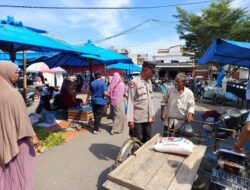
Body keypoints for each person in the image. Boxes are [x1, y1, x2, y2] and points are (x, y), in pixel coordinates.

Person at [0, 61, 39, 190]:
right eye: (15, 71)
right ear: (6, 72)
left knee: (5, 173)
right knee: (22, 171)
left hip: (3, 140)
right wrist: (33, 137)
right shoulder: (13, 94)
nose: (18, 74)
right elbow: (22, 120)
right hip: (18, 140)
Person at [127, 61, 156, 143]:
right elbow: (130, 101)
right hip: (137, 119)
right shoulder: (134, 82)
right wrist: (130, 120)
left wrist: (152, 114)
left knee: (147, 138)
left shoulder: (149, 82)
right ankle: (134, 154)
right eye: (152, 72)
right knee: (136, 139)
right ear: (146, 70)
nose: (153, 75)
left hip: (147, 118)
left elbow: (150, 99)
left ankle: (142, 155)